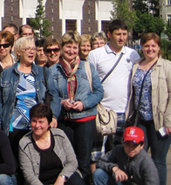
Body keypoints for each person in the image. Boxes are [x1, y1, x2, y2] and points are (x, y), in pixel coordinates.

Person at [126, 32, 171, 185]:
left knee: (158, 160)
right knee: (139, 157)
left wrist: (169, 120)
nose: (150, 49)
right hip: (141, 120)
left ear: (159, 48)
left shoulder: (168, 67)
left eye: (153, 46)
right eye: (146, 46)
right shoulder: (137, 65)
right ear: (142, 47)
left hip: (161, 121)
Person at [49, 31, 104, 183]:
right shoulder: (54, 70)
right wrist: (62, 102)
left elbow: (99, 92)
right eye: (68, 47)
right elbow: (51, 95)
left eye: (74, 47)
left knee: (84, 162)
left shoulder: (87, 67)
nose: (71, 51)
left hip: (85, 120)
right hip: (65, 121)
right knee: (66, 161)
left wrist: (83, 103)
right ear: (62, 47)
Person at [0, 36, 53, 157]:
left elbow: (53, 96)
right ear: (18, 52)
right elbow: (0, 103)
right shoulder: (7, 73)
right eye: (27, 49)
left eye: (33, 49)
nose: (32, 51)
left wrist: (54, 117)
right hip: (14, 127)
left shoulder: (43, 72)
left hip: (36, 127)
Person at [88, 20, 140, 153]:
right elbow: (88, 81)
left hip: (123, 110)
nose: (121, 37)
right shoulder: (96, 55)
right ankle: (97, 174)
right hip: (102, 111)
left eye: (124, 34)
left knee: (120, 151)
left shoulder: (132, 55)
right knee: (97, 152)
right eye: (118, 34)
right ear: (109, 35)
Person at [19, 104, 84, 185]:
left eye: (41, 122)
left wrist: (61, 178)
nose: (37, 125)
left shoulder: (60, 135)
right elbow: (29, 176)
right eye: (34, 121)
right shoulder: (24, 143)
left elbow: (72, 162)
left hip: (63, 179)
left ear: (49, 123)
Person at [92, 126, 159, 185]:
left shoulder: (146, 162)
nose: (130, 148)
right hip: (121, 182)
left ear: (142, 145)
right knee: (98, 174)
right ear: (123, 142)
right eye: (127, 144)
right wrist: (114, 168)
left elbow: (153, 183)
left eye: (134, 145)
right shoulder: (118, 150)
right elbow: (100, 162)